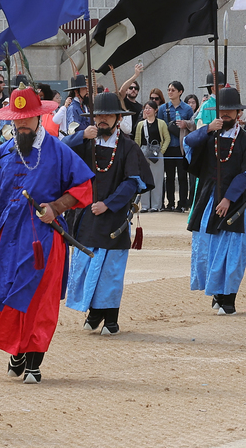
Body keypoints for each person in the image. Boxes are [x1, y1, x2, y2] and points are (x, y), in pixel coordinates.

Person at [0, 86, 94, 384]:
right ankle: (17, 349)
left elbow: (83, 188)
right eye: (17, 119)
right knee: (1, 294)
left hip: (43, 239)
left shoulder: (59, 151)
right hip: (7, 239)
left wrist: (55, 207)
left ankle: (34, 360)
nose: (22, 123)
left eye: (27, 118)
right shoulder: (3, 153)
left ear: (39, 117)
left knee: (38, 300)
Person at [64, 91, 153, 335]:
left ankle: (111, 319)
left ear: (118, 118)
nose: (102, 120)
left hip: (114, 216)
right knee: (88, 265)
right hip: (87, 215)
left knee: (110, 271)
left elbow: (132, 182)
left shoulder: (128, 147)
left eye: (108, 116)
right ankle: (94, 313)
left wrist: (109, 204)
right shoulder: (85, 142)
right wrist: (81, 135)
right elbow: (58, 151)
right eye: (99, 116)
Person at [186, 87, 246, 316]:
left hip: (235, 201)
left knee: (232, 250)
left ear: (238, 113)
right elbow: (189, 143)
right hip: (207, 199)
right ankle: (216, 292)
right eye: (223, 110)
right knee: (208, 247)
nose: (226, 114)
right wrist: (206, 129)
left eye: (231, 111)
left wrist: (228, 199)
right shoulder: (209, 135)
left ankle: (228, 297)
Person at [159, 81, 194, 212]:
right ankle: (170, 203)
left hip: (182, 147)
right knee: (169, 176)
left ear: (180, 92)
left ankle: (182, 203)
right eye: (169, 90)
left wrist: (185, 124)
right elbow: (160, 126)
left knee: (182, 176)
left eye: (173, 90)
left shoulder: (187, 109)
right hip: (168, 147)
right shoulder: (163, 108)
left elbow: (193, 125)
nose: (170, 92)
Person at [134, 100, 169, 212]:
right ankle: (145, 205)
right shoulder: (141, 124)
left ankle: (156, 205)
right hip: (143, 151)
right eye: (146, 108)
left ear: (155, 110)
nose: (147, 110)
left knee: (157, 179)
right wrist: (137, 153)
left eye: (149, 108)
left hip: (156, 151)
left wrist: (162, 151)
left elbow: (167, 138)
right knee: (144, 178)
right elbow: (137, 140)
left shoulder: (161, 123)